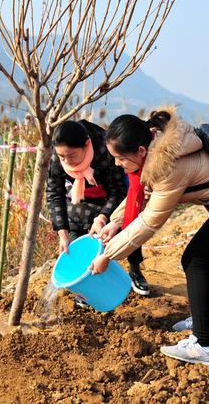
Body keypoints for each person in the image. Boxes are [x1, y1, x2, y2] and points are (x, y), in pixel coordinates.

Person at [90, 108, 209, 365]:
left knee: (195, 259)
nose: (117, 164)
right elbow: (142, 194)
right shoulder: (158, 148)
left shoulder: (169, 167)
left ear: (141, 151)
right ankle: (207, 320)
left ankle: (202, 345)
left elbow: (150, 220)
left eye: (120, 159)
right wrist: (114, 223)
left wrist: (108, 256)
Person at [46, 119, 150, 296]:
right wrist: (62, 232)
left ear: (87, 145)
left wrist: (103, 217)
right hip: (80, 198)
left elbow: (118, 190)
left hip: (112, 197)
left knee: (127, 223)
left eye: (72, 156)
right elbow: (54, 194)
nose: (67, 161)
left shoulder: (105, 150)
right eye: (62, 157)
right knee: (73, 242)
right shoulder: (59, 157)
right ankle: (86, 287)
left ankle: (134, 270)